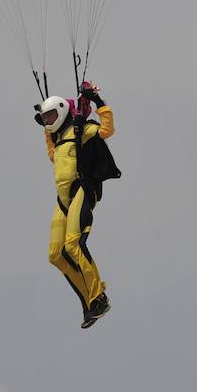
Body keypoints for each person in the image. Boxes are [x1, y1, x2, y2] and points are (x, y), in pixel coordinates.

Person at [34, 83, 119, 329]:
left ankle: (98, 294)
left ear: (61, 111)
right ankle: (90, 302)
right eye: (44, 117)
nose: (48, 120)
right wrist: (46, 128)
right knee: (56, 255)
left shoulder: (82, 129)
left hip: (81, 190)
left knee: (73, 244)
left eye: (51, 115)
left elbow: (107, 130)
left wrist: (97, 101)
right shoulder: (57, 139)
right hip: (62, 201)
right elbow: (52, 154)